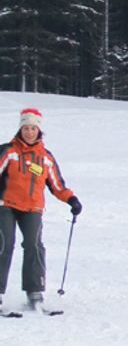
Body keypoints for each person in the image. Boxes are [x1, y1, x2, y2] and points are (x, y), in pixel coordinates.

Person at [0, 108, 82, 312]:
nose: (29, 132)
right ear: (20, 129)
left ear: (39, 130)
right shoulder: (8, 151)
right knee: (4, 244)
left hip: (32, 207)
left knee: (34, 245)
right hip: (5, 205)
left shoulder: (45, 157)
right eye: (25, 128)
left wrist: (71, 199)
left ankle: (34, 293)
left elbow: (57, 185)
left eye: (33, 128)